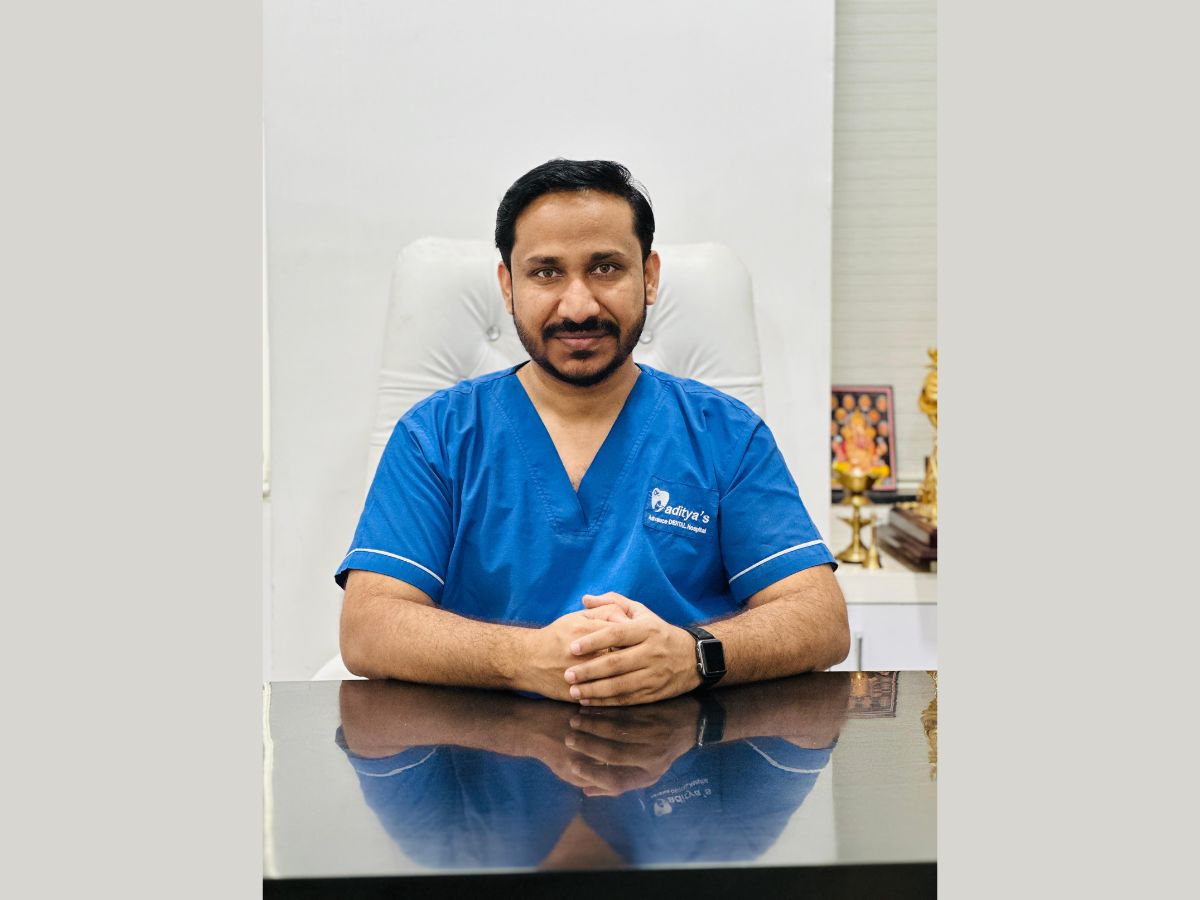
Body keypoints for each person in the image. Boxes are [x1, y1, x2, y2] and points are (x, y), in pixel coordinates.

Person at [336, 159, 849, 706]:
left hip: (688, 747)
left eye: (606, 268)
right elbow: (368, 627)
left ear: (649, 277)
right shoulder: (436, 436)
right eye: (545, 272)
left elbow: (820, 618)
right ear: (507, 287)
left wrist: (693, 653)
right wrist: (523, 659)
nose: (578, 306)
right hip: (483, 748)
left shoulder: (725, 434)